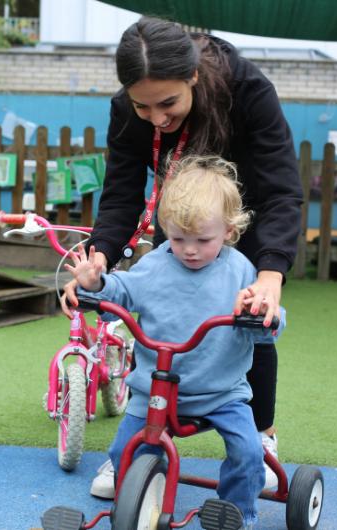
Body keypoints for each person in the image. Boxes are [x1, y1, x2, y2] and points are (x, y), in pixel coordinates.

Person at [62, 16, 303, 497]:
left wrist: (271, 273)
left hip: (240, 214)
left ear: (193, 77)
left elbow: (281, 192)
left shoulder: (248, 90)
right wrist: (100, 259)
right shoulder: (129, 110)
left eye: (167, 103)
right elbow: (122, 194)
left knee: (249, 317)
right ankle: (146, 443)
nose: (155, 117)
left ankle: (260, 435)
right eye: (142, 105)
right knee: (165, 311)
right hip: (185, 215)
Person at [63, 156, 285, 530]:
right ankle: (138, 498)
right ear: (166, 228)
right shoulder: (154, 266)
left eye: (203, 239)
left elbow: (268, 324)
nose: (190, 249)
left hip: (222, 393)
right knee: (123, 451)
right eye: (179, 238)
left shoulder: (242, 271)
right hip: (154, 390)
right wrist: (96, 285)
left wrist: (262, 313)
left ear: (229, 231)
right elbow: (123, 292)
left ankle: (235, 513)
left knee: (249, 454)